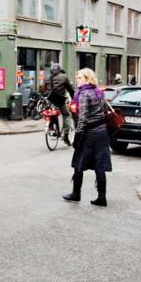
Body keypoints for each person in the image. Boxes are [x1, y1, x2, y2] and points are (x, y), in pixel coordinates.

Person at [62, 69, 112, 207]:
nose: (77, 79)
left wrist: (78, 135)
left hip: (89, 133)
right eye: (76, 77)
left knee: (79, 163)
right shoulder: (98, 92)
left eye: (79, 77)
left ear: (87, 79)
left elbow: (83, 117)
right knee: (99, 165)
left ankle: (76, 194)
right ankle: (102, 197)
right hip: (102, 133)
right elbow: (104, 112)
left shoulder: (83, 94)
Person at [42, 63, 75, 145]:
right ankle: (66, 136)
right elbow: (70, 89)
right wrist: (74, 97)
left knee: (50, 112)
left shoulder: (46, 78)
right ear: (60, 69)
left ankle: (51, 126)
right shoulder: (64, 77)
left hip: (50, 100)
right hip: (60, 100)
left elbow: (43, 89)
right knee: (66, 115)